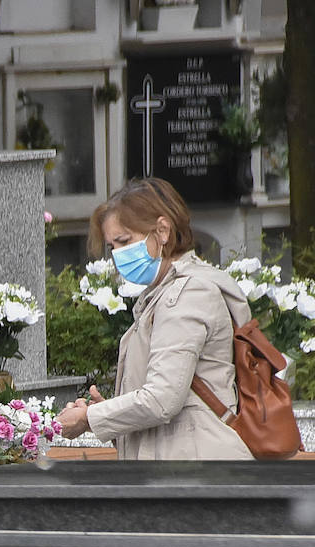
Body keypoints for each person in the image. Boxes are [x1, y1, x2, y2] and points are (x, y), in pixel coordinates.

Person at [55, 177, 253, 459]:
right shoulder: (163, 293)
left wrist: (91, 416)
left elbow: (162, 400)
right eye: (113, 246)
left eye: (124, 241)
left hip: (198, 472)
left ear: (162, 230)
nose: (119, 255)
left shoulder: (188, 293)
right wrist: (109, 412)